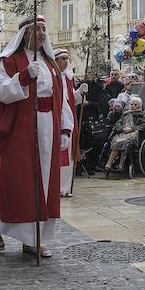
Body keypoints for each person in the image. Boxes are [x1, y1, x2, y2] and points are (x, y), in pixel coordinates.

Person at [0, 15, 71, 258]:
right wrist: (23, 77)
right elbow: (0, 90)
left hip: (49, 126)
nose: (42, 34)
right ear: (25, 34)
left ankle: (35, 238)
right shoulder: (10, 60)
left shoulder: (51, 63)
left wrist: (65, 127)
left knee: (44, 181)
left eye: (44, 30)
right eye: (37, 30)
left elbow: (61, 97)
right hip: (23, 128)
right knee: (20, 182)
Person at [53, 48, 87, 197]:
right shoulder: (52, 76)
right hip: (57, 117)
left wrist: (80, 92)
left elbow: (74, 99)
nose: (66, 61)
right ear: (55, 61)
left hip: (69, 116)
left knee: (69, 152)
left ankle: (65, 188)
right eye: (63, 59)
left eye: (67, 58)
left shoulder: (68, 77)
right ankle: (55, 187)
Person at [103, 96, 145, 175]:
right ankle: (117, 164)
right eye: (131, 104)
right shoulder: (125, 114)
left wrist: (132, 129)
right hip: (123, 132)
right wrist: (122, 129)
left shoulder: (142, 115)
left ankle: (110, 164)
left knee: (121, 141)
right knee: (116, 140)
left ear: (140, 106)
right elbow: (118, 123)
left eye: (135, 105)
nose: (133, 106)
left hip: (134, 133)